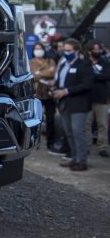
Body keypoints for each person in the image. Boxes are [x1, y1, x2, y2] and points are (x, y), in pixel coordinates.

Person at [51, 38, 95, 171]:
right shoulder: (64, 64)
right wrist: (55, 89)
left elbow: (87, 84)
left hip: (79, 105)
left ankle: (82, 161)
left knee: (78, 132)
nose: (66, 52)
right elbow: (59, 81)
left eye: (69, 50)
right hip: (64, 104)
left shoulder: (84, 64)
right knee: (68, 132)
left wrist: (66, 91)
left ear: (76, 51)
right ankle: (74, 158)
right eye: (64, 50)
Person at [29, 42, 58, 151]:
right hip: (37, 93)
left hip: (49, 93)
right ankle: (35, 142)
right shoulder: (30, 62)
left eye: (40, 48)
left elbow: (53, 73)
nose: (38, 50)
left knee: (51, 119)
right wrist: (45, 72)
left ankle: (51, 142)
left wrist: (38, 73)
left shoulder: (50, 61)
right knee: (37, 120)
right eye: (36, 48)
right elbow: (31, 75)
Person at [84, 40, 109, 157]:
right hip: (87, 98)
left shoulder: (105, 62)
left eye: (99, 49)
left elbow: (107, 76)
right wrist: (97, 76)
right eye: (95, 49)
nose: (98, 51)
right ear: (89, 51)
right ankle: (86, 145)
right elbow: (84, 77)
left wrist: (94, 76)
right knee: (86, 123)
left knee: (102, 124)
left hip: (101, 98)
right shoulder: (85, 63)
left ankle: (102, 146)